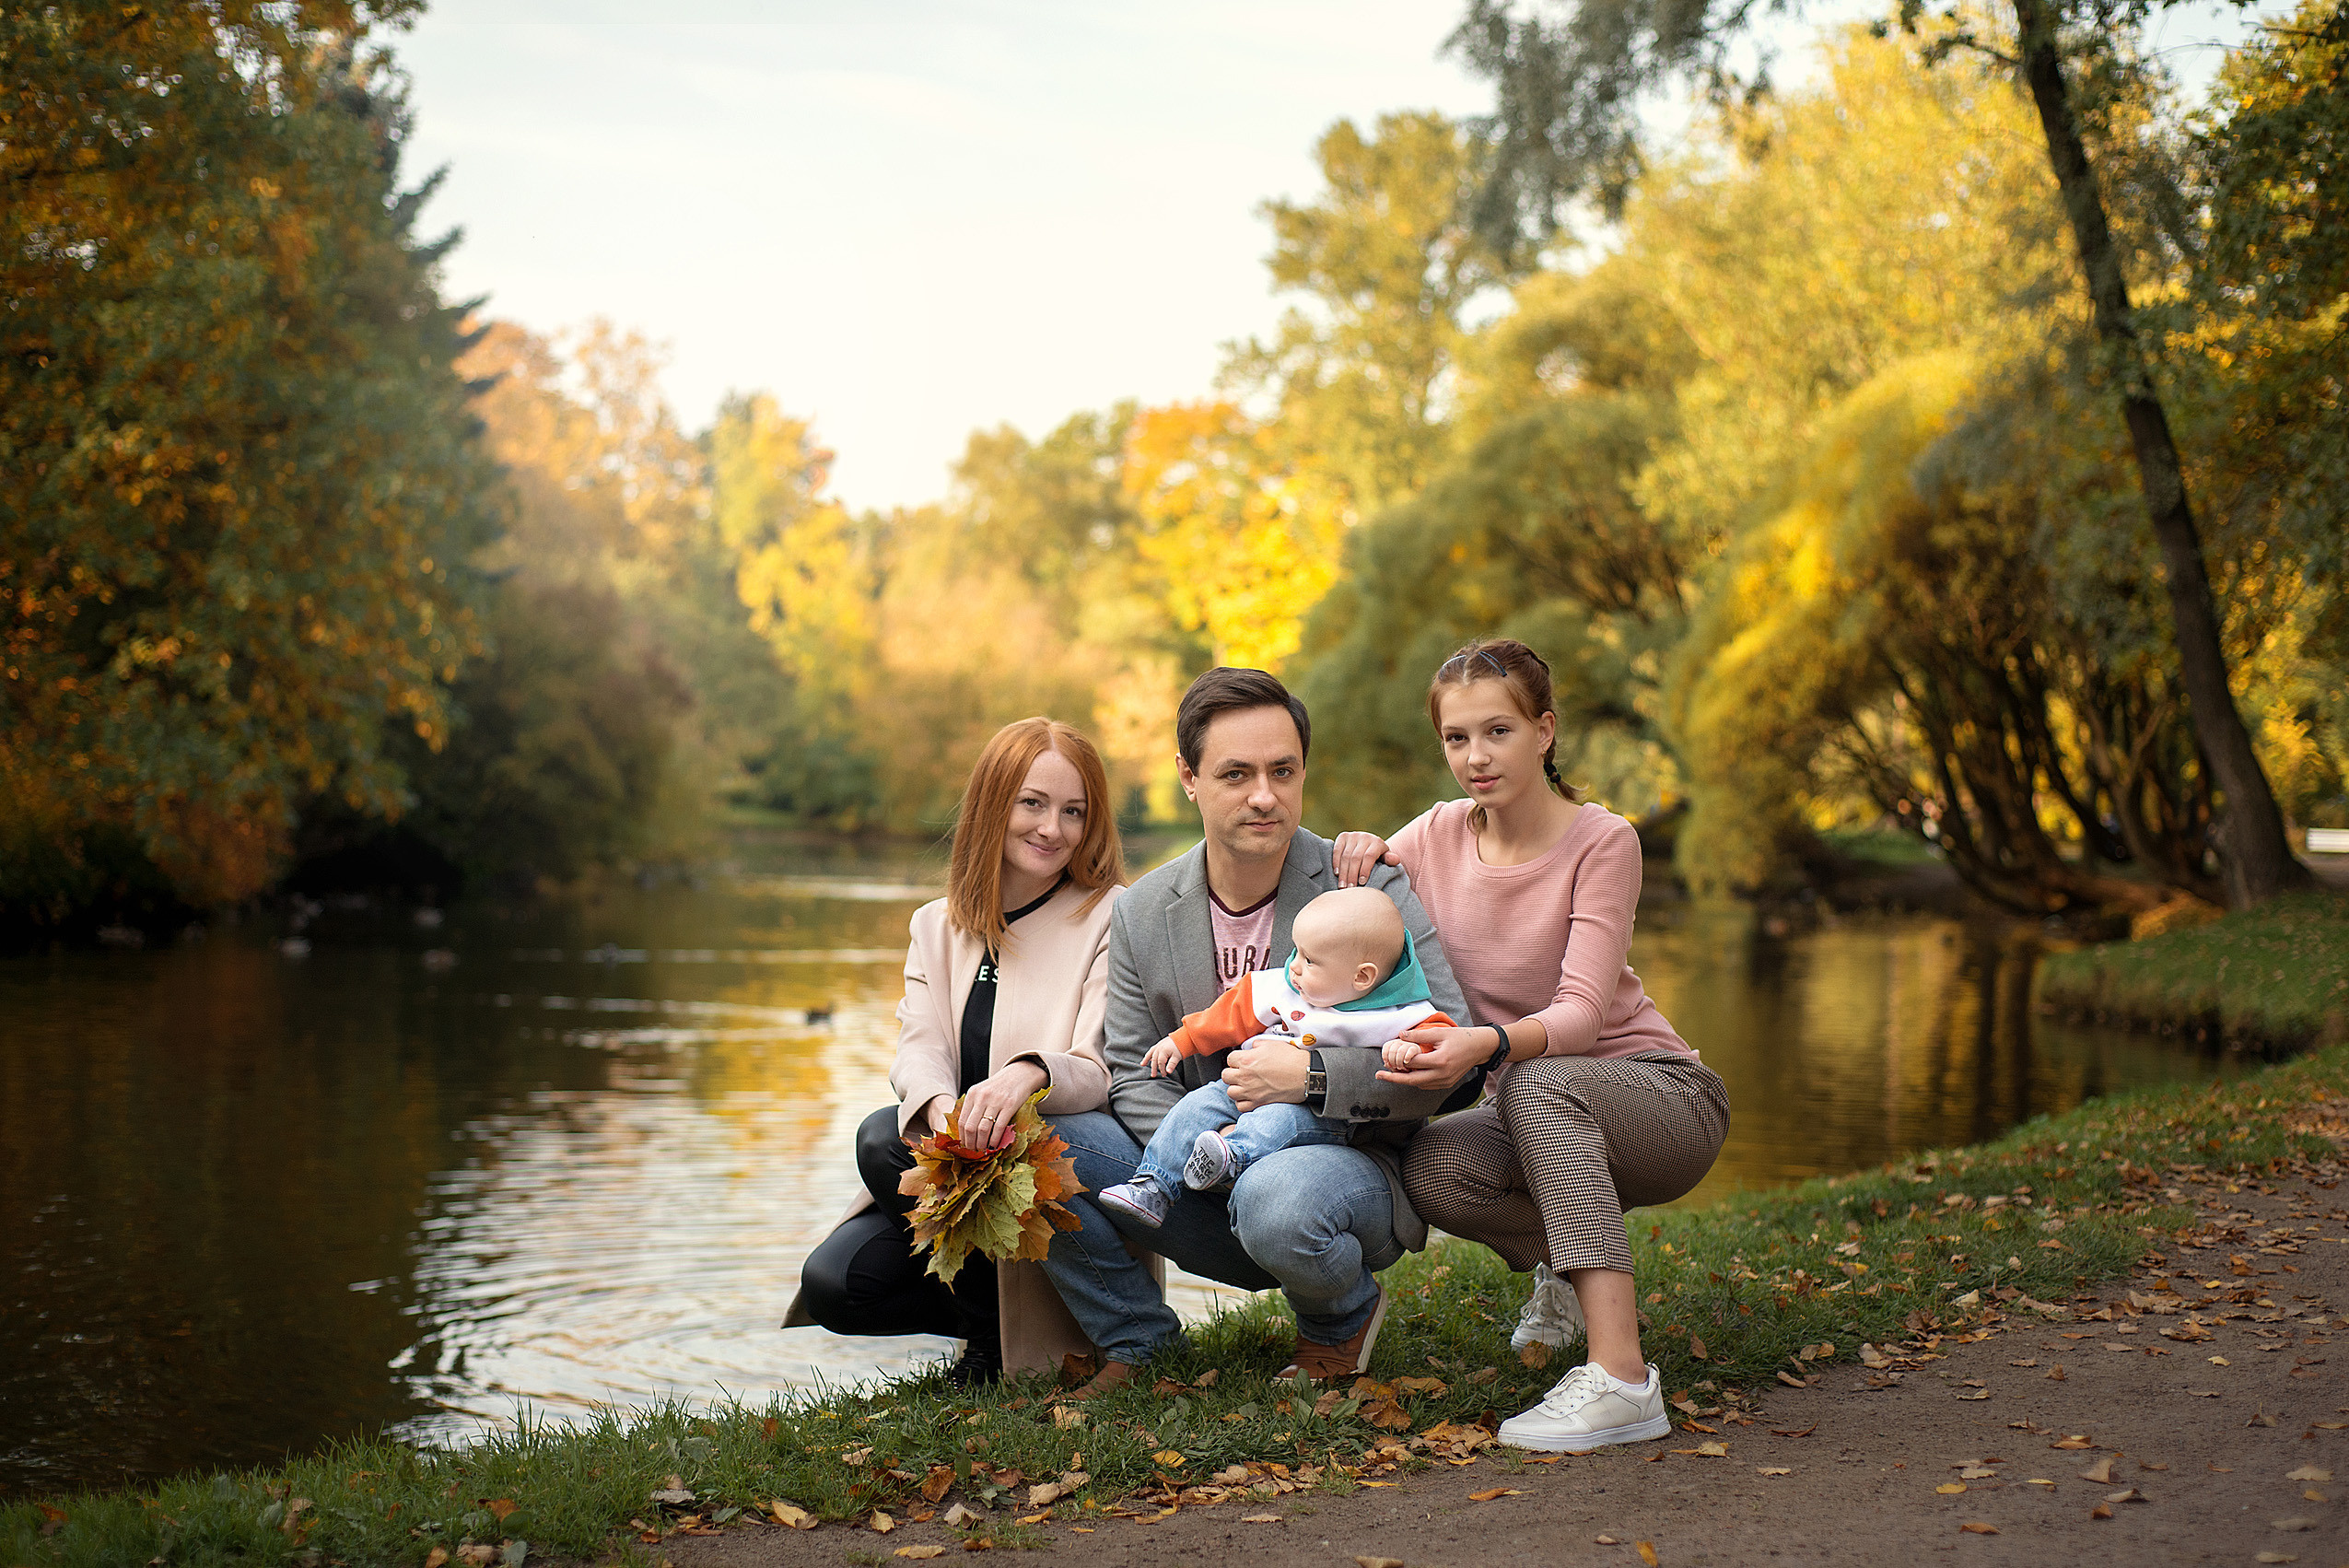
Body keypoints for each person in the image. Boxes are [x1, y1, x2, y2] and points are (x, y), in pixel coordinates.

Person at [1332, 638, 1730, 1452]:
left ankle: (1622, 1381)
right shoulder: (1436, 837)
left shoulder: (1603, 840)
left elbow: (1582, 1016)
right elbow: (1358, 888)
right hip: (1532, 1104)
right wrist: (1356, 848)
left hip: (1660, 1100)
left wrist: (1481, 1046)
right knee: (1435, 1166)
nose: (1476, 758)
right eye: (1455, 739)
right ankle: (1566, 1270)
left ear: (1544, 731)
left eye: (1498, 732)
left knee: (1534, 1079)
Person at [1037, 667, 1473, 1395]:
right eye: (1236, 774)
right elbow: (1128, 1071)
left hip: (1338, 1166)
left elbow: (1452, 1057)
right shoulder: (1142, 909)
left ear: (1304, 771)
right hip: (1191, 1169)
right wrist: (1205, 1156)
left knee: (1277, 1193)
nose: (1264, 796)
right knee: (1037, 1139)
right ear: (1189, 776)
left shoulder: (1362, 887)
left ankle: (1340, 1318)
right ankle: (1138, 1337)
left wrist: (1312, 1082)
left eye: (1282, 771)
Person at [784, 717, 1126, 1385]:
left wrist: (1026, 1076)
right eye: (1032, 803)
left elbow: (1100, 1071)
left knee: (881, 1137)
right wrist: (944, 1112)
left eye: (1073, 811)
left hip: (1047, 1183)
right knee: (838, 1278)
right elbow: (918, 1048)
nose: (1051, 828)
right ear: (993, 803)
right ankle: (991, 1328)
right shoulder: (936, 926)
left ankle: (1000, 1352)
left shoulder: (1111, 915)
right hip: (961, 1176)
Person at [1097, 886, 1456, 1226]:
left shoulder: (1394, 1013)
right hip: (1240, 1088)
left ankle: (1234, 1157)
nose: (1295, 966)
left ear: (1362, 977)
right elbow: (1230, 1014)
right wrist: (1183, 1040)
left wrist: (1409, 1049)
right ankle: (1153, 1185)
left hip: (1316, 1111)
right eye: (1296, 952)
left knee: (1279, 1124)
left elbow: (1442, 1039)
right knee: (1193, 1108)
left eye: (1311, 961)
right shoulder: (1284, 987)